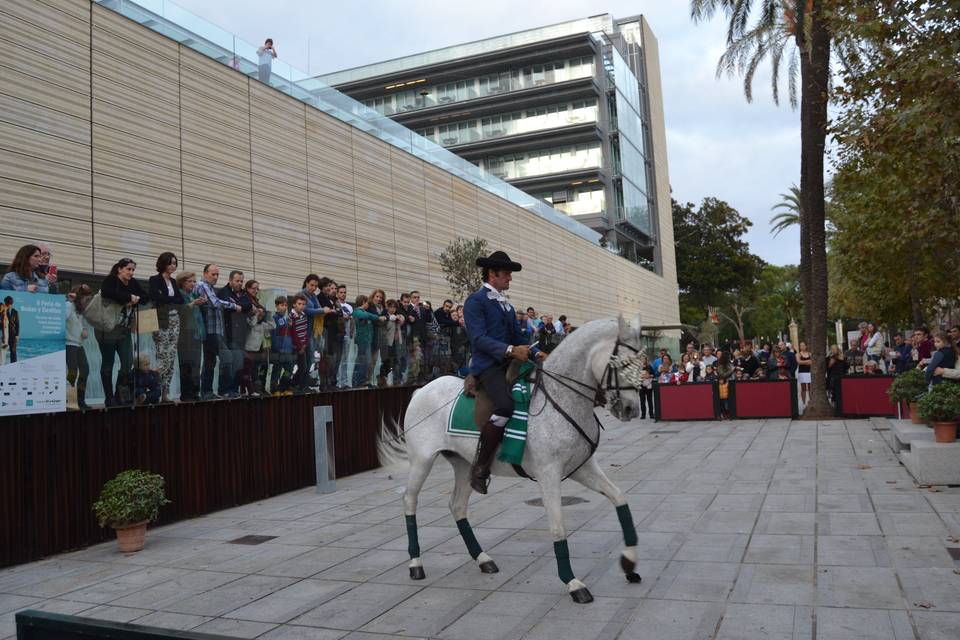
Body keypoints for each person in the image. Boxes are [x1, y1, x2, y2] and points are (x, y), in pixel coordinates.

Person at [463, 251, 545, 494]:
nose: (510, 277)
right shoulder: (475, 301)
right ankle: (480, 467)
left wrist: (537, 352)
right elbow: (478, 339)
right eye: (506, 273)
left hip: (509, 362)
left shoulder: (506, 305)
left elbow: (519, 338)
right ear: (492, 273)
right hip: (487, 366)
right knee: (505, 406)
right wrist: (509, 350)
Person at [97, 258, 148, 407]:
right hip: (107, 328)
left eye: (133, 270)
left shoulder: (133, 283)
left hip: (124, 329)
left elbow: (145, 296)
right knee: (108, 362)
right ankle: (109, 397)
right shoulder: (111, 280)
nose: (131, 272)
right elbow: (106, 293)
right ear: (120, 269)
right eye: (128, 269)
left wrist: (137, 298)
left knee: (127, 363)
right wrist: (128, 297)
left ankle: (119, 395)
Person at [195, 264, 242, 400]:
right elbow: (215, 303)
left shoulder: (209, 287)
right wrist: (234, 305)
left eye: (217, 275)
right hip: (210, 331)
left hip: (215, 330)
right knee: (227, 357)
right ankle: (224, 390)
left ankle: (207, 392)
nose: (215, 277)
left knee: (210, 362)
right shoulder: (202, 285)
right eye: (213, 274)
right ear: (205, 273)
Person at [148, 252, 184, 402]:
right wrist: (171, 299)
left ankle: (166, 390)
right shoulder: (154, 279)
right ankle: (155, 387)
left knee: (171, 354)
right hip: (160, 319)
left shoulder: (174, 282)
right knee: (162, 354)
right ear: (163, 263)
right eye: (170, 263)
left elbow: (180, 299)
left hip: (175, 319)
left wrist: (168, 299)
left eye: (175, 263)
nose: (173, 266)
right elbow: (156, 297)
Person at [217, 270, 252, 397]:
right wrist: (239, 306)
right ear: (230, 280)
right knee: (228, 363)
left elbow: (248, 305)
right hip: (228, 333)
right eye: (237, 281)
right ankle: (224, 389)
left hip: (240, 334)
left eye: (241, 281)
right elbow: (227, 305)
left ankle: (234, 389)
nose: (240, 283)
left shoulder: (243, 293)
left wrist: (238, 306)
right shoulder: (223, 292)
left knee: (239, 363)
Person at [176, 272, 205, 402]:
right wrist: (193, 304)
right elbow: (179, 312)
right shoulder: (179, 294)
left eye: (194, 281)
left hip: (196, 333)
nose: (193, 284)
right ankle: (186, 393)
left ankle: (195, 391)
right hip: (185, 332)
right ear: (182, 282)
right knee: (186, 364)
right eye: (190, 281)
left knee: (196, 364)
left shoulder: (193, 294)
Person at [241, 280, 273, 396]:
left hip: (258, 338)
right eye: (254, 288)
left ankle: (254, 388)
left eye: (257, 288)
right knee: (247, 367)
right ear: (248, 288)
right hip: (248, 337)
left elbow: (271, 325)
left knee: (254, 366)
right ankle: (247, 390)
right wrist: (256, 314)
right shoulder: (246, 299)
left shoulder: (256, 300)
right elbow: (250, 321)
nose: (256, 291)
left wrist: (265, 313)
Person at [65, 285, 92, 410]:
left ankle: (80, 401)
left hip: (79, 344)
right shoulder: (69, 306)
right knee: (72, 372)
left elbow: (79, 324)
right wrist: (69, 300)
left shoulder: (79, 310)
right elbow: (61, 319)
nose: (86, 302)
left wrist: (84, 329)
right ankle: (70, 401)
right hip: (69, 343)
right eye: (85, 299)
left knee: (85, 371)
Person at [351, 294, 380, 387]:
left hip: (367, 340)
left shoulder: (363, 312)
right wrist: (373, 316)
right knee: (363, 361)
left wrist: (373, 316)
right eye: (367, 302)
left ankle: (361, 380)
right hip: (362, 340)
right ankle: (357, 381)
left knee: (366, 361)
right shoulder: (357, 311)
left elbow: (372, 316)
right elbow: (369, 316)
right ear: (363, 302)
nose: (368, 304)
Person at [269, 295, 294, 395]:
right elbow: (275, 335)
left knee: (289, 368)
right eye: (281, 305)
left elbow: (287, 335)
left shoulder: (285, 319)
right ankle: (274, 389)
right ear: (276, 306)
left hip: (286, 350)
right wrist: (276, 347)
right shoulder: (275, 318)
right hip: (278, 349)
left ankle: (283, 387)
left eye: (285, 305)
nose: (284, 307)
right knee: (277, 369)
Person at [289, 294, 310, 392]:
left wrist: (305, 344)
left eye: (303, 304)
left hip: (303, 346)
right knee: (290, 366)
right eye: (299, 304)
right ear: (294, 304)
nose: (302, 306)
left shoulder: (304, 315)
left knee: (304, 367)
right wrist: (299, 346)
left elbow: (305, 331)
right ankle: (288, 385)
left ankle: (295, 384)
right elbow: (293, 333)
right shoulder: (291, 316)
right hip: (294, 347)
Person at [335, 284, 354, 389]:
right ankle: (338, 382)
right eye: (341, 292)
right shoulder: (336, 304)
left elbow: (351, 322)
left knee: (345, 360)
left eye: (344, 292)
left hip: (347, 335)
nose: (343, 294)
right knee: (338, 360)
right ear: (337, 294)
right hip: (338, 336)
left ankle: (345, 382)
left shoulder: (349, 307)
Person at [826, 345, 847, 413]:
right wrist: (830, 364)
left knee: (842, 394)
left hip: (841, 378)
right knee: (834, 394)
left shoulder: (842, 357)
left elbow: (847, 366)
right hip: (833, 378)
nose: (834, 350)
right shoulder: (829, 358)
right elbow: (826, 368)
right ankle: (835, 408)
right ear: (831, 350)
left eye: (835, 349)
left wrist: (843, 360)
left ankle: (841, 408)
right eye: (833, 349)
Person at [637, 352, 655, 419]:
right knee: (642, 400)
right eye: (641, 359)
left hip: (648, 385)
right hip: (641, 385)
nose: (642, 360)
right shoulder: (638, 367)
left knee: (650, 400)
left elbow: (654, 375)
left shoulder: (649, 366)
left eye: (644, 359)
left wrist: (649, 375)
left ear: (646, 359)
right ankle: (643, 414)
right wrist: (640, 377)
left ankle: (651, 414)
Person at [3, 296, 18, 363]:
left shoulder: (15, 312)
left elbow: (17, 324)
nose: (5, 305)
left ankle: (14, 365)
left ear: (10, 304)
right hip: (4, 334)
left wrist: (17, 335)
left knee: (13, 351)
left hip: (13, 334)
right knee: (3, 350)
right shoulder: (2, 311)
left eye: (6, 303)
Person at [797, 341, 812, 405]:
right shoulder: (798, 354)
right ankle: (803, 403)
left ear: (806, 346)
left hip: (809, 372)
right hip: (802, 372)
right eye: (801, 345)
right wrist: (808, 361)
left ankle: (811, 402)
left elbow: (812, 362)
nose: (802, 347)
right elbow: (799, 362)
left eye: (803, 345)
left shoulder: (810, 354)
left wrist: (804, 362)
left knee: (810, 388)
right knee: (803, 388)